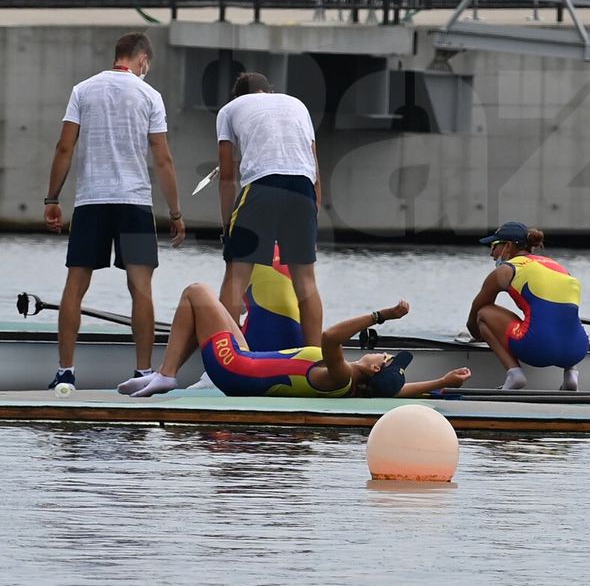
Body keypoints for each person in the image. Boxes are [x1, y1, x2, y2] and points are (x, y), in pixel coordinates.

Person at [43, 31, 185, 390]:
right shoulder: (149, 95)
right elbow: (163, 158)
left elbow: (64, 148)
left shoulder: (83, 90)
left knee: (75, 286)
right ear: (142, 61)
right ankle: (141, 373)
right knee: (141, 287)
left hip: (91, 202)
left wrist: (52, 199)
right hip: (134, 203)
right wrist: (176, 211)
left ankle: (65, 373)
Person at [118, 283, 471, 399]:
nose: (383, 352)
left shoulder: (341, 375)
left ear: (376, 366)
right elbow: (395, 392)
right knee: (215, 310)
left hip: (235, 369)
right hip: (244, 360)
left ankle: (165, 374)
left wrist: (381, 316)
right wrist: (441, 382)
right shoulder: (358, 387)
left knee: (195, 292)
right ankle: (166, 373)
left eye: (387, 356)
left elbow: (330, 336)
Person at [216, 71, 324, 347]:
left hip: (262, 185)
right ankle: (314, 359)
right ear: (269, 90)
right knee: (306, 281)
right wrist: (314, 211)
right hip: (303, 189)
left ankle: (231, 352)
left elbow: (227, 177)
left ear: (239, 96)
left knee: (236, 275)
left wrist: (228, 226)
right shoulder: (298, 105)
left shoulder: (229, 110)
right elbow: (314, 167)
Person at [467, 221, 589, 390]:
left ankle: (514, 375)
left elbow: (474, 315)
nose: (491, 253)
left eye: (494, 245)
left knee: (484, 313)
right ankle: (571, 375)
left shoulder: (506, 271)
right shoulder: (559, 268)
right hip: (578, 349)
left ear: (508, 246)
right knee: (561, 315)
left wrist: (478, 335)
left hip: (537, 350)